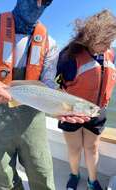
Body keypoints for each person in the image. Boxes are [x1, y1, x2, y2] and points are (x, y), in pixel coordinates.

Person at [0, 0, 61, 189]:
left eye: (45, 0)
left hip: (32, 117)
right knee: (1, 178)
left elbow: (49, 84)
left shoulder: (50, 43)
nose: (38, 3)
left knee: (42, 172)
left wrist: (62, 105)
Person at [56, 9, 116, 190]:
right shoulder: (69, 56)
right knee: (74, 149)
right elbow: (56, 85)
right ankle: (74, 175)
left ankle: (92, 180)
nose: (108, 46)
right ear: (92, 37)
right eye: (105, 41)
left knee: (92, 148)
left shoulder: (110, 54)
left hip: (97, 111)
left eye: (110, 41)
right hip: (71, 112)